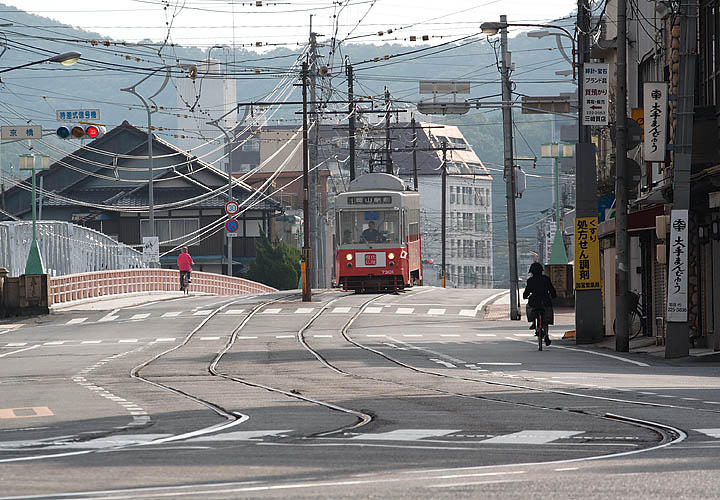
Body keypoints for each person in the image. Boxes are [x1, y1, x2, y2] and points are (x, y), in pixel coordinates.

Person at [522, 262, 557, 346]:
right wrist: (554, 296)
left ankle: (533, 322)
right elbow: (552, 290)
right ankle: (546, 335)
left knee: (529, 308)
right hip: (545, 300)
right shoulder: (546, 279)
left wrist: (525, 296)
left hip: (534, 301)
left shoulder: (530, 281)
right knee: (546, 317)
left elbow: (526, 292)